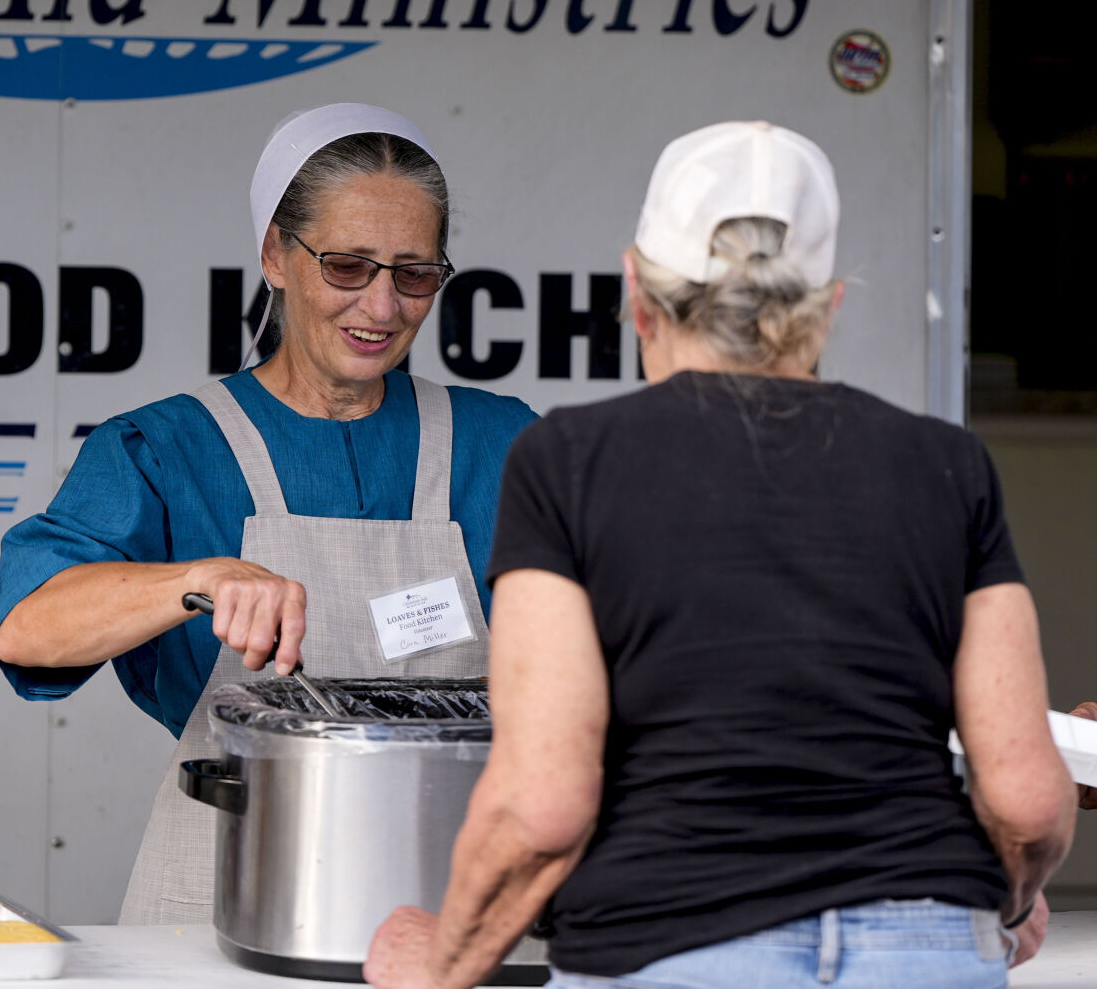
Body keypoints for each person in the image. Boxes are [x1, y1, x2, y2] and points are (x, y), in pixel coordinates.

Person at [365, 121, 1076, 988]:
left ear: (636, 291)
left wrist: (440, 962)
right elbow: (1029, 802)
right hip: (921, 950)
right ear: (829, 305)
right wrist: (994, 907)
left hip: (668, 944)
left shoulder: (570, 462)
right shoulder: (946, 465)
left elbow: (541, 806)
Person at [0, 103, 539, 925]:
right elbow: (29, 629)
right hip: (229, 878)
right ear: (276, 255)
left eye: (414, 273)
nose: (382, 307)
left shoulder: (500, 444)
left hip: (452, 894)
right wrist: (197, 578)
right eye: (348, 266)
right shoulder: (167, 445)